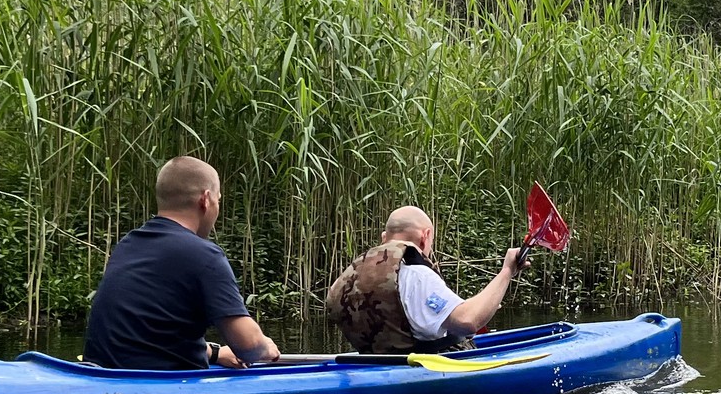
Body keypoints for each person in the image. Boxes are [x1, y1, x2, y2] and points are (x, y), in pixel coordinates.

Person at [83, 156, 280, 370]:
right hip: (160, 387)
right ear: (205, 200)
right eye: (218, 200)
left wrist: (214, 353)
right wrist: (266, 348)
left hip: (105, 376)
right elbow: (248, 346)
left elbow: (150, 336)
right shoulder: (205, 255)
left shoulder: (129, 244)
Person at [325, 205, 523, 354]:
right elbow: (467, 321)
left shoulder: (347, 278)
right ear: (425, 237)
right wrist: (507, 271)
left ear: (384, 238)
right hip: (417, 374)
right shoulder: (417, 275)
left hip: (373, 366)